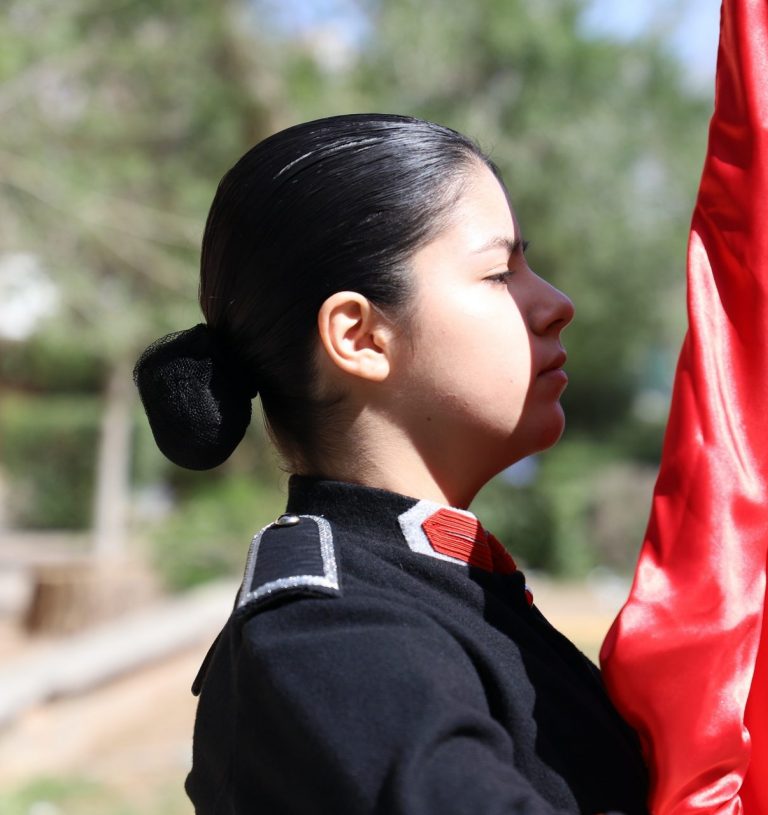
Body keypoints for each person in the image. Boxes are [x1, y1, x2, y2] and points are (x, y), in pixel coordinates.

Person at [134, 114, 649, 815]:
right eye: (500, 273)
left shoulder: (431, 586)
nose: (558, 305)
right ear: (361, 336)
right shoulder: (330, 639)